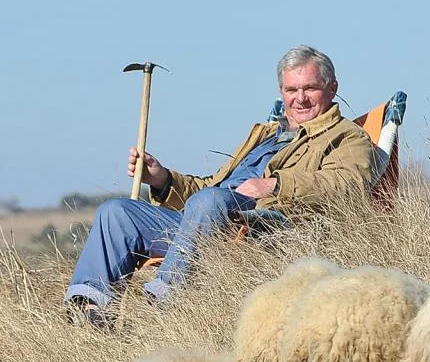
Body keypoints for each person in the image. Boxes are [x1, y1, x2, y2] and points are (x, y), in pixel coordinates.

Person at [64, 45, 378, 323]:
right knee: (117, 211)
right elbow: (212, 187)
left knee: (210, 202)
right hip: (204, 223)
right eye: (291, 89)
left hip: (258, 228)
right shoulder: (267, 134)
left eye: (310, 88)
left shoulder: (347, 137)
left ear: (332, 88)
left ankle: (165, 299)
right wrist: (161, 178)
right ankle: (89, 308)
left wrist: (274, 185)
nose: (299, 98)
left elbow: (347, 185)